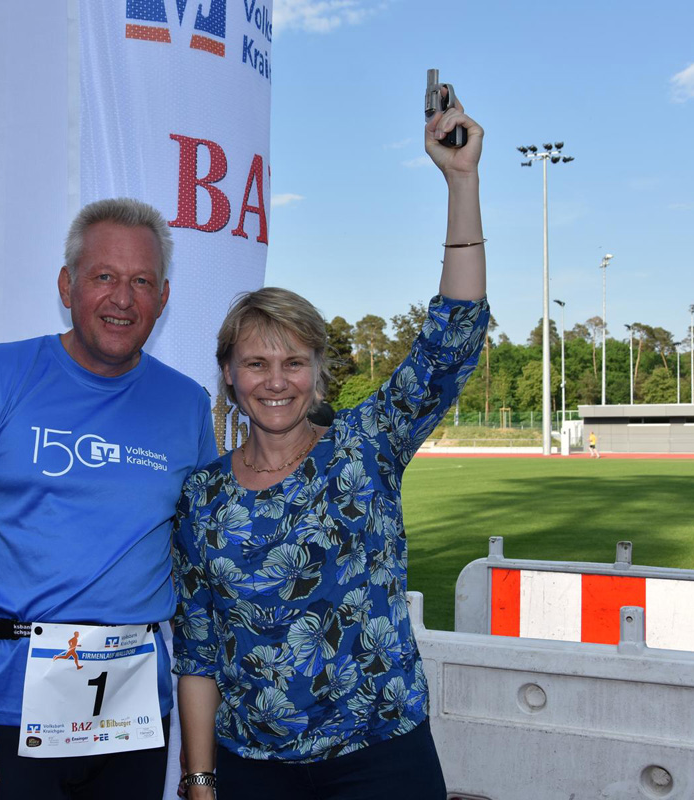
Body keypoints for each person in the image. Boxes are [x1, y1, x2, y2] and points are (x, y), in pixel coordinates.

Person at [172, 95, 490, 800]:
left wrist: (461, 180)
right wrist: (198, 779)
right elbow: (196, 649)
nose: (275, 382)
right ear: (229, 374)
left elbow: (452, 337)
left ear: (319, 370)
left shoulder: (366, 445)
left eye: (293, 362)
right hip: (252, 770)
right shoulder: (202, 497)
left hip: (382, 762)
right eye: (256, 364)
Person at [0, 198, 218, 800]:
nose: (122, 299)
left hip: (133, 714)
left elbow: (205, 562)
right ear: (66, 284)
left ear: (164, 296)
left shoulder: (186, 405)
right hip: (6, 706)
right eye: (104, 276)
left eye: (141, 282)